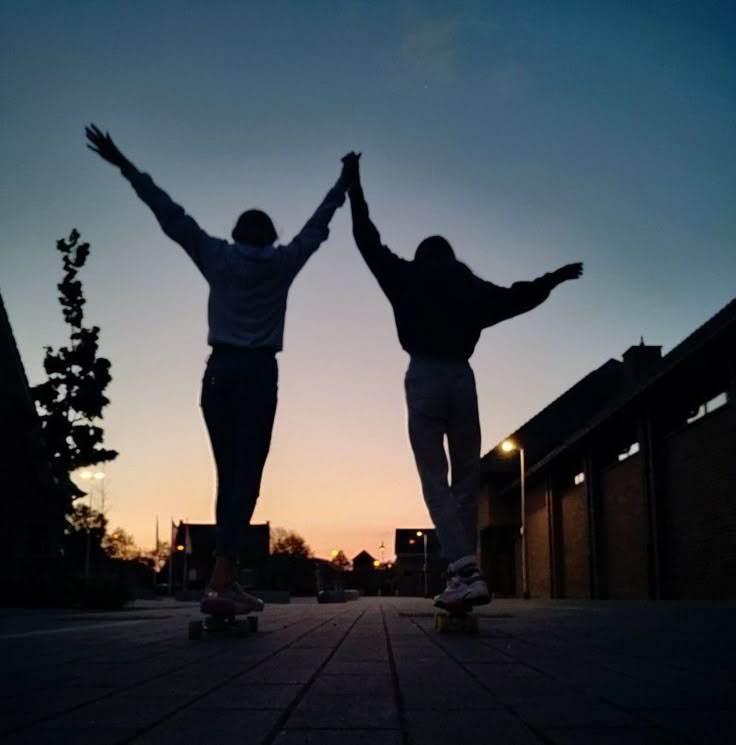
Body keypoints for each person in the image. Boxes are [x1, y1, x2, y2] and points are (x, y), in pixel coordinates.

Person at [86, 124, 350, 614]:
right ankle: (223, 577)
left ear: (235, 234)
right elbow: (316, 227)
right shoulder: (282, 261)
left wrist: (122, 162)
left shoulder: (216, 255)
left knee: (227, 477)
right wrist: (343, 183)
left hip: (217, 373)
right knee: (245, 477)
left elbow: (169, 213)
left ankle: (221, 578)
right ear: (271, 238)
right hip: (257, 374)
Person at [341, 153, 583, 609]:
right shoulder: (469, 287)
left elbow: (366, 239)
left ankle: (463, 569)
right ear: (451, 258)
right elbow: (517, 297)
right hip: (461, 378)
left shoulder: (405, 276)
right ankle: (465, 568)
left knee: (434, 475)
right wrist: (553, 279)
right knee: (466, 475)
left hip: (424, 376)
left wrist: (354, 187)